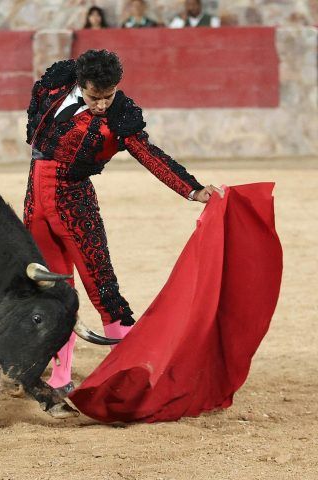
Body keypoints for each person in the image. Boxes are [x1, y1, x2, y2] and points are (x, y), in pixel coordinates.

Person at [24, 49, 223, 393]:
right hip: (35, 202)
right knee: (51, 293)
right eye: (94, 97)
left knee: (103, 290)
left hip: (75, 205)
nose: (102, 105)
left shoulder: (121, 116)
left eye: (109, 96)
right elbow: (35, 123)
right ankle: (60, 377)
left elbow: (149, 155)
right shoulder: (56, 84)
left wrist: (192, 189)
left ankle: (141, 377)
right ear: (80, 84)